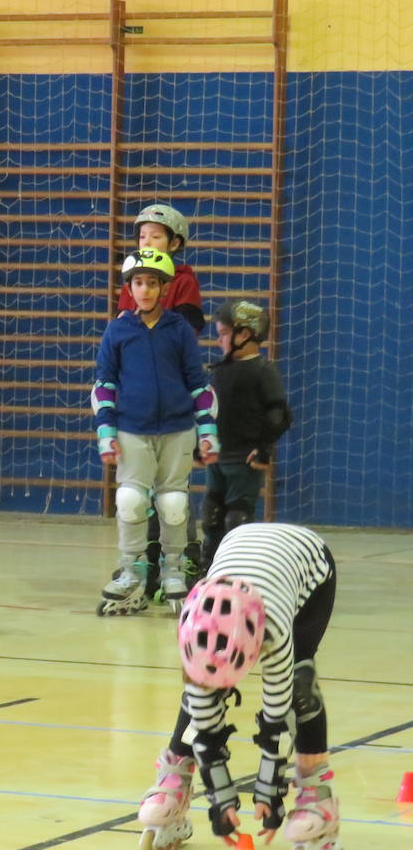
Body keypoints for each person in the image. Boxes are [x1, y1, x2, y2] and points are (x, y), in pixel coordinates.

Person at [136, 522, 342, 850]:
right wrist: (220, 798)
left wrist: (269, 792)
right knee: (200, 686)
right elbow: (203, 718)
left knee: (300, 682)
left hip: (310, 566)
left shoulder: (274, 632)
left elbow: (277, 722)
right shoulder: (195, 622)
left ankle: (316, 792)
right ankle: (175, 780)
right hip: (240, 553)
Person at [93, 248, 218, 615]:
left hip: (177, 429)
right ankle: (131, 570)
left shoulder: (178, 330)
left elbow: (198, 383)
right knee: (131, 499)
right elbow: (104, 384)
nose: (144, 290)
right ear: (129, 288)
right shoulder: (118, 331)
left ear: (164, 289)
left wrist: (207, 431)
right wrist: (106, 433)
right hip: (133, 428)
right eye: (138, 283)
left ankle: (174, 571)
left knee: (174, 504)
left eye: (152, 283)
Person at [117, 204, 205, 588]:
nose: (147, 241)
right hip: (138, 400)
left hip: (172, 391)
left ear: (175, 242)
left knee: (172, 498)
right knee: (133, 496)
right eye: (142, 236)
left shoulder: (183, 280)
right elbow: (123, 330)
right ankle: (136, 563)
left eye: (155, 236)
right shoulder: (132, 280)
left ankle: (180, 560)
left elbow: (188, 330)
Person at [201, 300, 292, 570]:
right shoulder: (219, 371)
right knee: (211, 517)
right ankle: (209, 571)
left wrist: (264, 448)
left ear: (245, 334)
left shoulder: (263, 370)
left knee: (237, 519)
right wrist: (200, 442)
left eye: (223, 334)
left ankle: (236, 570)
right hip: (218, 456)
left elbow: (279, 415)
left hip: (245, 459)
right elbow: (209, 412)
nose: (219, 341)